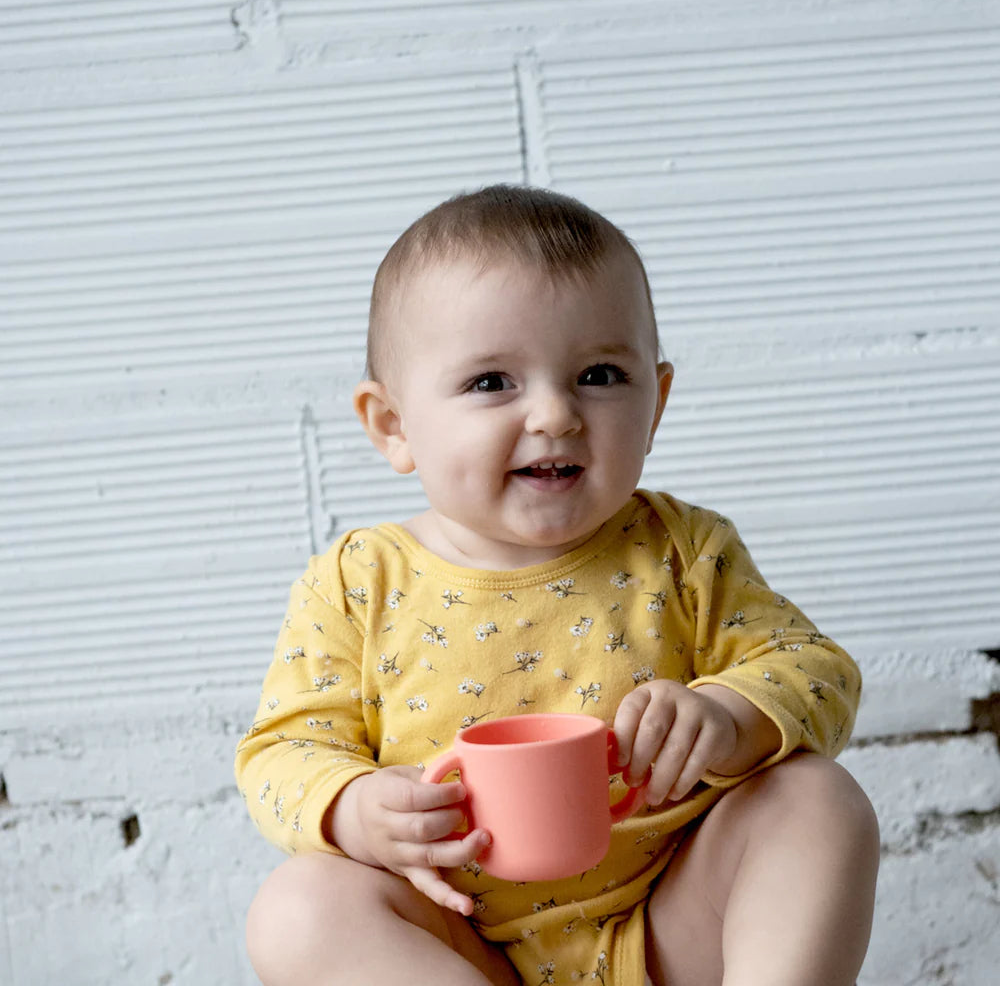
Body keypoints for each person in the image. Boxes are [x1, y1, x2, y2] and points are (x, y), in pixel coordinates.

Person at [235, 184, 879, 986]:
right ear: (393, 425)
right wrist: (355, 808)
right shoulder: (359, 581)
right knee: (297, 908)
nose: (555, 414)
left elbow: (819, 671)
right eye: (491, 382)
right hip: (461, 950)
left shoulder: (682, 550)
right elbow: (282, 753)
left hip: (672, 931)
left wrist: (730, 714)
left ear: (657, 402)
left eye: (601, 374)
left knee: (817, 798)